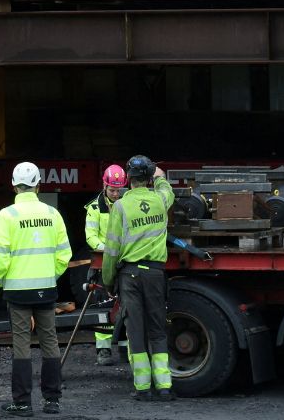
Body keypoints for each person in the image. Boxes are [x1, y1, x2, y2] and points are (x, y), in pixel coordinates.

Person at [0, 161, 72, 415]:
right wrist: (50, 276)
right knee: (50, 342)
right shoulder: (52, 214)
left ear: (14, 186)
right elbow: (64, 255)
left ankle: (23, 403)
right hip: (46, 288)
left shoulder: (7, 215)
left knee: (21, 344)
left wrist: (1, 280)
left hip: (17, 292)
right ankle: (52, 400)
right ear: (38, 186)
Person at [101, 154, 173, 402]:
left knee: (136, 331)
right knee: (158, 330)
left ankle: (143, 389)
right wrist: (160, 176)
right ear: (148, 178)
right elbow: (166, 190)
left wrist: (108, 281)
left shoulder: (120, 207)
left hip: (129, 276)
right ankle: (164, 387)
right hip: (155, 273)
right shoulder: (160, 200)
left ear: (128, 179)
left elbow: (111, 251)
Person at [83, 163, 128, 366]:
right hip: (103, 262)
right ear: (104, 185)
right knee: (103, 305)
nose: (116, 194)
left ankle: (126, 346)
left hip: (124, 260)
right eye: (112, 190)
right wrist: (108, 250)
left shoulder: (127, 204)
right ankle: (103, 349)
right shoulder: (94, 208)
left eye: (119, 190)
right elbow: (91, 236)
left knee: (126, 305)